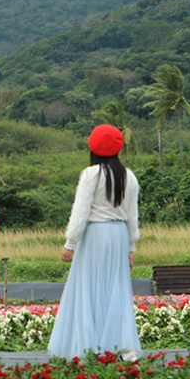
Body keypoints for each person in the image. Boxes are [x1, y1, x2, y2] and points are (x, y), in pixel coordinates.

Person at [47, 124, 142, 361]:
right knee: (116, 288)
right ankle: (124, 347)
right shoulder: (129, 176)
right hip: (119, 235)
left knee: (88, 288)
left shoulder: (91, 174)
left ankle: (88, 347)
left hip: (95, 234)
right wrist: (132, 247)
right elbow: (133, 215)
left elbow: (80, 211)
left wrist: (71, 242)